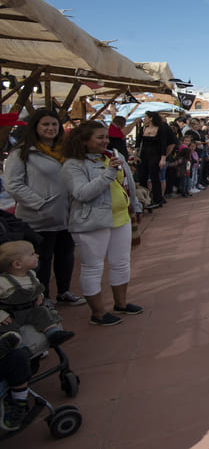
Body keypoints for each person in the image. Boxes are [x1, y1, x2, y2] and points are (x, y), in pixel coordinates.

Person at [61, 120, 144, 327]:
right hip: (92, 222)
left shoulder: (114, 155)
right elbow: (81, 193)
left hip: (121, 217)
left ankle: (121, 303)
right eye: (100, 137)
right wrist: (108, 174)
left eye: (106, 137)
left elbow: (128, 182)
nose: (105, 141)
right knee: (93, 267)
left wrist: (135, 204)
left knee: (121, 262)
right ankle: (98, 313)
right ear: (84, 140)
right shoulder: (73, 164)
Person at [2, 109, 85, 306]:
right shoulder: (22, 152)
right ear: (36, 127)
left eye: (54, 124)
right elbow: (13, 184)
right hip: (38, 217)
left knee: (65, 256)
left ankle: (64, 291)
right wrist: (39, 203)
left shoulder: (65, 150)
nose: (50, 128)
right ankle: (44, 297)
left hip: (66, 215)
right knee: (42, 259)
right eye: (45, 124)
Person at [0, 241, 74, 351]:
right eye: (32, 254)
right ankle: (19, 347)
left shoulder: (31, 275)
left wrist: (39, 295)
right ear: (17, 264)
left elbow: (36, 287)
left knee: (42, 312)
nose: (37, 256)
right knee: (8, 329)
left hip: (30, 310)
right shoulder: (3, 282)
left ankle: (53, 334)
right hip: (11, 314)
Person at [133, 111, 174, 210]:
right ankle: (145, 199)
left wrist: (163, 158)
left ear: (151, 118)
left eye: (146, 117)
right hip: (143, 156)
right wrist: (135, 154)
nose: (145, 119)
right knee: (142, 177)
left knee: (155, 177)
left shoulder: (161, 128)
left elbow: (164, 144)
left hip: (155, 156)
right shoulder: (143, 128)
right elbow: (138, 142)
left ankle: (157, 199)